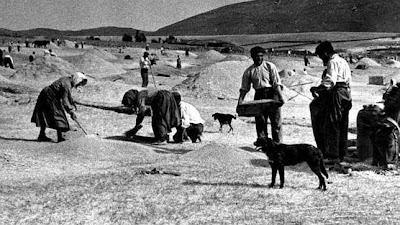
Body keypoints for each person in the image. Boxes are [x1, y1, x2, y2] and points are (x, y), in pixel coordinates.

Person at [310, 41, 352, 165]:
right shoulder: (343, 61)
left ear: (325, 53)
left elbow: (330, 81)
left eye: (321, 56)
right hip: (346, 93)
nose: (321, 59)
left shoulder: (332, 62)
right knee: (342, 124)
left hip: (336, 94)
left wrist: (316, 89)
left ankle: (333, 155)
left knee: (332, 124)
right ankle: (342, 154)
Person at [237, 46, 285, 146]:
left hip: (272, 94)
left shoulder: (270, 66)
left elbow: (276, 83)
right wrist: (240, 102)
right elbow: (245, 88)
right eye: (257, 56)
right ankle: (264, 145)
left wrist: (280, 97)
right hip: (259, 95)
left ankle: (278, 145)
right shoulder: (249, 71)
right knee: (260, 123)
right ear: (252, 57)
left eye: (261, 56)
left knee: (276, 123)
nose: (259, 58)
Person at [31, 72, 88, 142]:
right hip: (50, 96)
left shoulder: (68, 80)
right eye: (79, 83)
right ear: (76, 79)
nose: (79, 85)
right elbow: (65, 99)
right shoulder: (67, 84)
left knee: (46, 114)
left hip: (47, 94)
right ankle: (59, 137)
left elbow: (66, 96)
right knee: (58, 115)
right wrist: (71, 112)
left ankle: (42, 135)